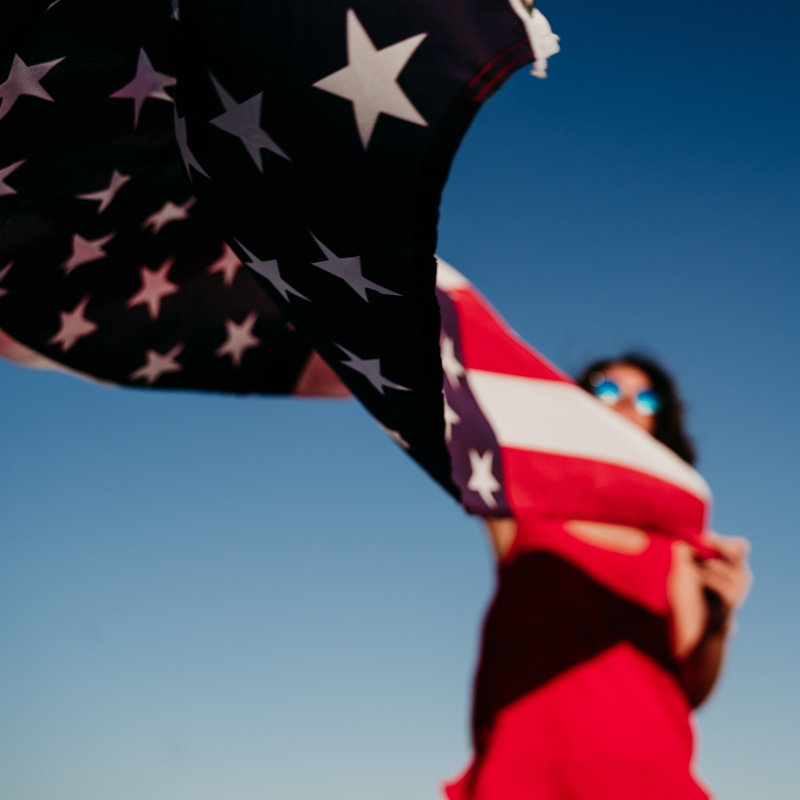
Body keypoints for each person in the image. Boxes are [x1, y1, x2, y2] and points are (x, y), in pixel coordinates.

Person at [445, 353, 751, 800]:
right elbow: (456, 422)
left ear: (660, 422)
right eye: (606, 389)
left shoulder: (677, 544)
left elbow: (691, 686)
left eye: (645, 398)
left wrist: (720, 621)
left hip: (649, 779)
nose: (625, 404)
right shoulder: (521, 511)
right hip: (522, 777)